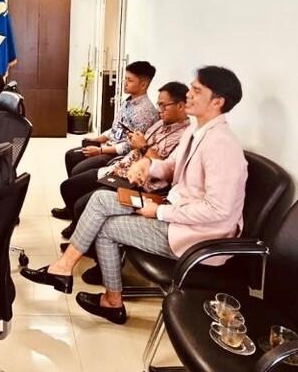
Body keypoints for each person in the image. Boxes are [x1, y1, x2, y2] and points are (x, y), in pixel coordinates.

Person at [22, 66, 246, 325]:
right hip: (173, 211)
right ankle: (64, 269)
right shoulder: (197, 133)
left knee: (107, 228)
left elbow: (218, 211)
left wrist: (159, 211)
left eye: (197, 91)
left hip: (196, 235)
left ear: (218, 101)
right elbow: (172, 166)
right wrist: (148, 166)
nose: (189, 95)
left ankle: (110, 300)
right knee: (100, 199)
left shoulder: (222, 145)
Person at [57, 82, 191, 241]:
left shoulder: (185, 136)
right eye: (158, 104)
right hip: (120, 168)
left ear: (181, 106)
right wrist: (135, 141)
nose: (159, 110)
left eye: (164, 106)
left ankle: (85, 240)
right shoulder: (158, 124)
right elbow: (132, 142)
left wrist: (142, 146)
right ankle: (78, 227)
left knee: (83, 203)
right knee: (69, 186)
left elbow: (166, 170)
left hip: (138, 182)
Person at [53, 60, 159, 220]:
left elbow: (130, 147)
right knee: (71, 155)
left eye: (129, 80)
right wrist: (98, 139)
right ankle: (71, 207)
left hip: (118, 154)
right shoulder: (129, 101)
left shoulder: (145, 112)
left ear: (143, 84)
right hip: (110, 145)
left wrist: (101, 150)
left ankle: (77, 213)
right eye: (125, 79)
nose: (124, 83)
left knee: (78, 168)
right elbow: (117, 128)